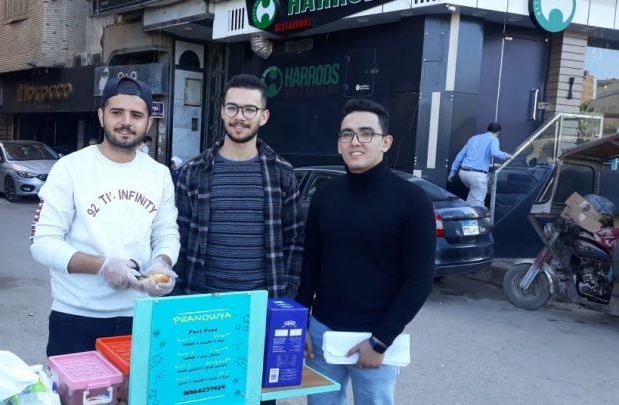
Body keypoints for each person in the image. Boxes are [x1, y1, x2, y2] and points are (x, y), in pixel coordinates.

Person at [294, 99, 435, 405]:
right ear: (339, 144)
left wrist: (381, 340)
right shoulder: (325, 196)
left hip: (375, 337)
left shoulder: (412, 201)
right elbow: (310, 264)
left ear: (386, 142)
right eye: (347, 134)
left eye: (366, 133)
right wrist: (300, 324)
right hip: (321, 333)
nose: (355, 141)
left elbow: (419, 280)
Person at [30, 77, 180, 357]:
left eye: (136, 115)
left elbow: (166, 233)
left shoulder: (159, 175)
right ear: (101, 116)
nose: (126, 122)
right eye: (117, 112)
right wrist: (102, 266)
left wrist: (162, 262)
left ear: (148, 123)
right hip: (76, 317)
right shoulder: (70, 168)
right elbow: (43, 243)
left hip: (140, 315)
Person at [173, 73, 304, 299]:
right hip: (203, 303)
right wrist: (176, 297)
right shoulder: (193, 171)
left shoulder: (282, 173)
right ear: (222, 111)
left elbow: (294, 241)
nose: (239, 117)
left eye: (250, 109)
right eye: (232, 108)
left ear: (263, 116)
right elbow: (180, 240)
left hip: (262, 304)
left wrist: (286, 296)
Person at [448, 122, 511, 206]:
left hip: (463, 173)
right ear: (498, 132)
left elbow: (460, 155)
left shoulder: (473, 138)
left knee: (473, 197)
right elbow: (494, 152)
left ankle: (468, 210)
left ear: (487, 129)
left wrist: (452, 172)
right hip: (477, 175)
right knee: (478, 203)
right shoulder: (494, 139)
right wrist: (507, 155)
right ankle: (475, 213)